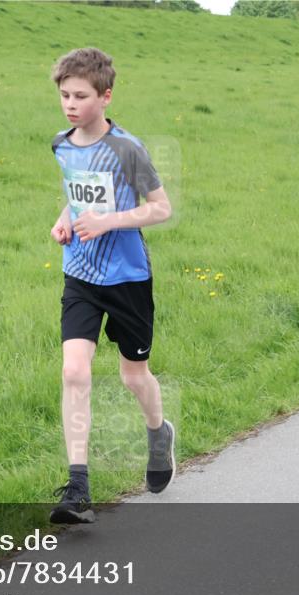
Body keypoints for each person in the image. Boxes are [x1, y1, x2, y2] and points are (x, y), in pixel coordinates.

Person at [47, 47, 175, 524]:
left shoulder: (127, 149)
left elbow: (160, 208)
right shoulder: (61, 145)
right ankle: (77, 488)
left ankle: (158, 433)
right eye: (65, 95)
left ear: (105, 96)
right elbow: (75, 196)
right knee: (74, 371)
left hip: (127, 279)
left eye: (80, 96)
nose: (70, 104)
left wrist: (108, 222)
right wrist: (64, 220)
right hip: (80, 274)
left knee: (133, 377)